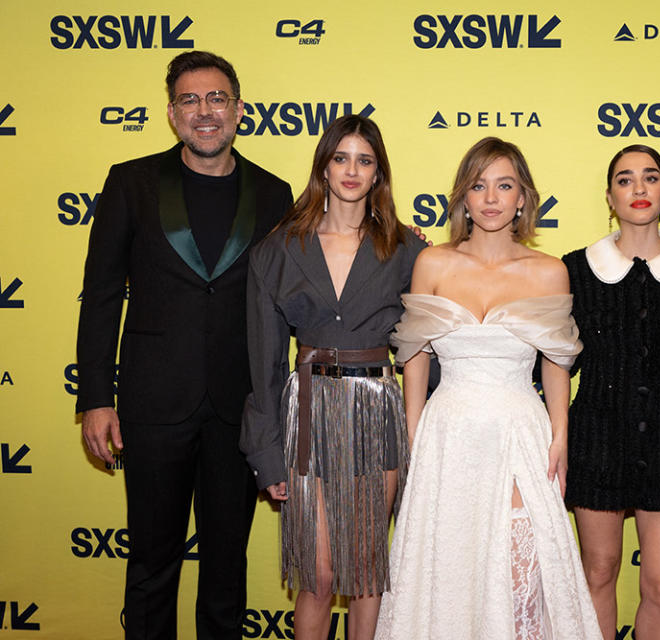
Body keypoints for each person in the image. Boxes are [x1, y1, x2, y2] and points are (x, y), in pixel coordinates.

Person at [76, 51, 293, 639]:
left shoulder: (274, 193)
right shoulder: (132, 182)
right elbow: (100, 295)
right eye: (190, 100)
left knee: (227, 569)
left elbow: (298, 292)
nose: (205, 112)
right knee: (151, 564)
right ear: (172, 114)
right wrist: (95, 398)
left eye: (217, 98)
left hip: (238, 408)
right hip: (152, 405)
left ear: (239, 111)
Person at [375, 137, 602, 639]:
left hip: (520, 429)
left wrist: (559, 436)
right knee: (449, 569)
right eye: (480, 185)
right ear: (463, 198)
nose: (492, 197)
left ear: (523, 197)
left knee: (524, 573)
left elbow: (556, 364)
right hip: (447, 431)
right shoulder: (433, 263)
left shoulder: (549, 272)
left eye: (505, 185)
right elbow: (414, 355)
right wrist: (414, 435)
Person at [240, 114, 426, 640]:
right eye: (340, 157)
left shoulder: (409, 250)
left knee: (366, 572)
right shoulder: (278, 250)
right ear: (323, 167)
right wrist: (266, 453)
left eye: (364, 160)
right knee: (319, 575)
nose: (351, 170)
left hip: (377, 411)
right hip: (308, 413)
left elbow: (427, 351)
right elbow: (264, 364)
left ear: (378, 174)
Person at [562, 145, 660, 640]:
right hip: (597, 443)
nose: (639, 188)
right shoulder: (576, 270)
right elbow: (557, 366)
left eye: (650, 178)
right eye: (625, 180)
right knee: (598, 574)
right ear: (610, 196)